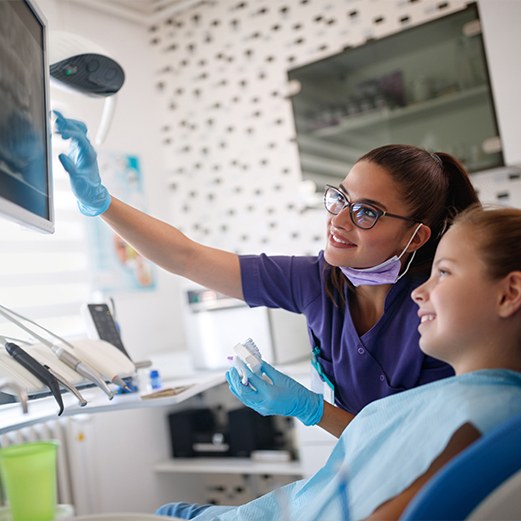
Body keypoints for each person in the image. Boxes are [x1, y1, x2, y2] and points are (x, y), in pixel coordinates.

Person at [54, 112, 479, 437]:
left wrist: (312, 410)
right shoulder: (319, 281)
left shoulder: (438, 307)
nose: (339, 220)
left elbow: (419, 447)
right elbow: (187, 257)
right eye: (340, 198)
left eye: (366, 212)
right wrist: (102, 203)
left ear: (416, 236)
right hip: (368, 474)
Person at [155, 205, 521, 520]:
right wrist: (311, 408)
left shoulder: (482, 420)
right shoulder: (473, 401)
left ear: (509, 293)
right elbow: (189, 258)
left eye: (444, 272)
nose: (419, 292)